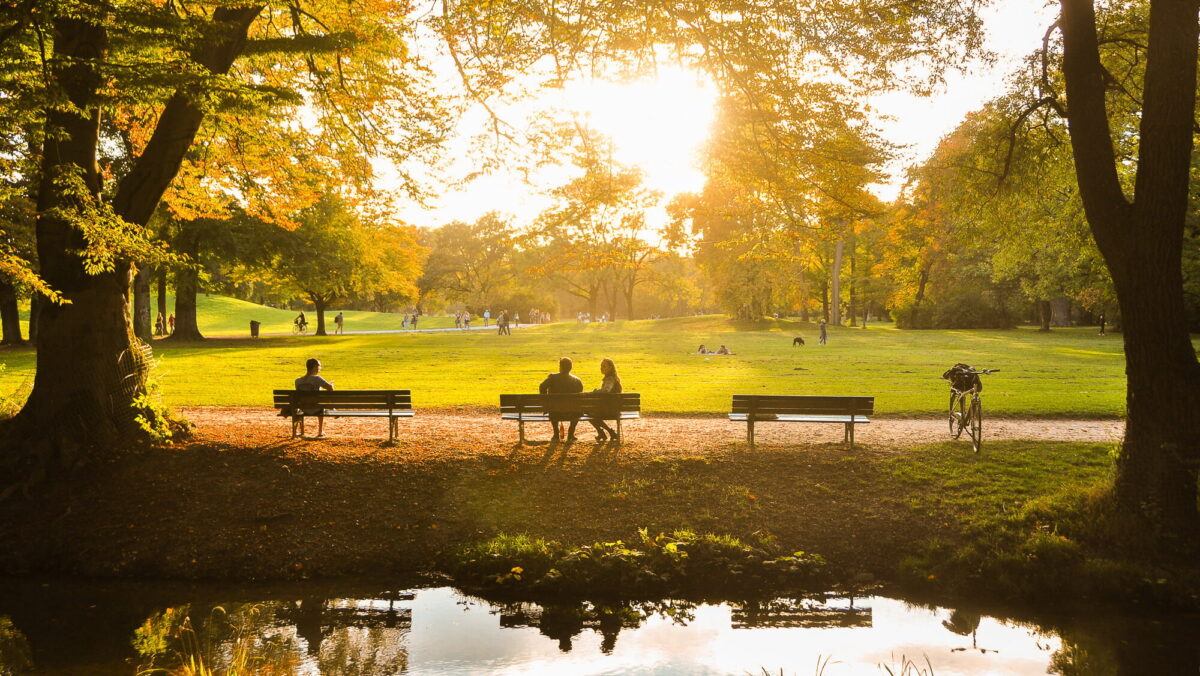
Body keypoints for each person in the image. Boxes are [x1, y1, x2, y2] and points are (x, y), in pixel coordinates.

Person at [539, 357, 583, 441]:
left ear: (560, 367)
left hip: (555, 412)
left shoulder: (552, 378)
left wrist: (545, 400)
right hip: (572, 413)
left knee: (553, 407)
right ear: (571, 367)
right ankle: (571, 433)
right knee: (577, 409)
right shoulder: (577, 380)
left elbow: (542, 386)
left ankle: (556, 434)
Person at [293, 358, 334, 437]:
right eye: (319, 366)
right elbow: (330, 388)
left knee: (315, 401)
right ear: (315, 367)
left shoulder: (297, 381)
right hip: (317, 408)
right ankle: (320, 431)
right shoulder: (317, 378)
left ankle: (301, 431)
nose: (320, 369)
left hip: (303, 408)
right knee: (319, 403)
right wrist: (331, 385)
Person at [589, 358, 622, 441]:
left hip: (610, 410)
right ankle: (608, 432)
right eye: (601, 366)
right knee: (589, 412)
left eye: (604, 366)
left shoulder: (610, 378)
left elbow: (606, 390)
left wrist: (595, 392)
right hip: (614, 408)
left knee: (588, 413)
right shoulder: (614, 378)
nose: (601, 368)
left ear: (610, 367)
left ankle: (604, 432)